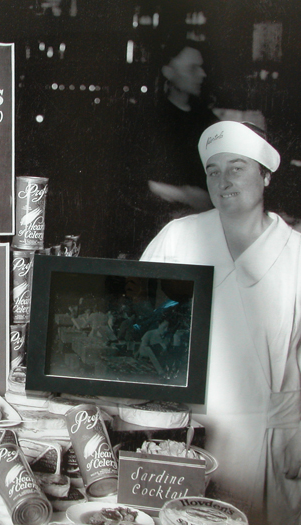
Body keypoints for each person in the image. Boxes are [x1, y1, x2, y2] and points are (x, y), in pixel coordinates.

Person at [141, 120, 301, 523]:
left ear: (265, 174)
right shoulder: (179, 238)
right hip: (185, 440)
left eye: (237, 167)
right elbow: (133, 330)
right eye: (213, 170)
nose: (223, 180)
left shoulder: (296, 254)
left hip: (271, 443)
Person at [117, 36, 219, 258]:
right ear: (168, 72)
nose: (202, 74)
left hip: (202, 239)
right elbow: (135, 185)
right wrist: (188, 195)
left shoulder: (209, 123)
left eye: (202, 68)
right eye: (193, 68)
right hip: (153, 238)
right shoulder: (146, 119)